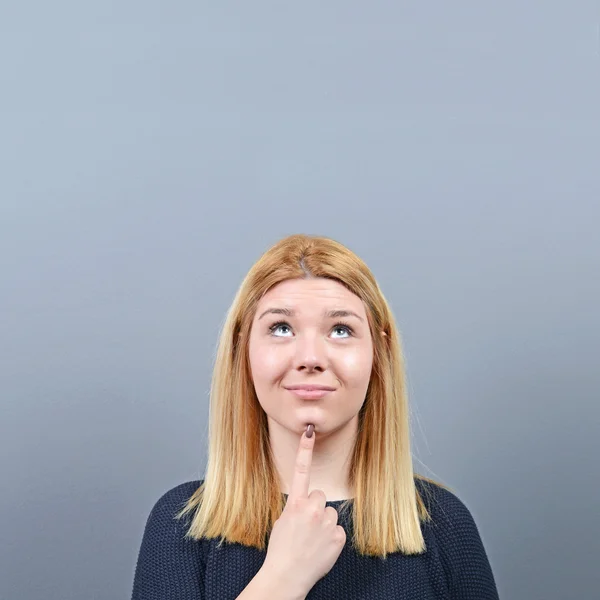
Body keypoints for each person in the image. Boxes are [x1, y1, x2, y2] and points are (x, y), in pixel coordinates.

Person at [131, 234, 500, 599]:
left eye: (341, 330)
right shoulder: (180, 526)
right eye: (281, 328)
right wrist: (282, 579)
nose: (310, 357)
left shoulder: (444, 526)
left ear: (378, 354)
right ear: (242, 351)